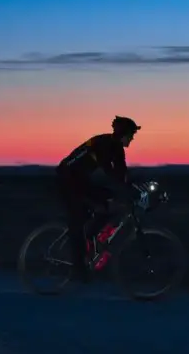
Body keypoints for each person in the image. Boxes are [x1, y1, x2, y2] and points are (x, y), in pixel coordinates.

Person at [55, 115, 141, 280]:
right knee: (77, 221)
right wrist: (127, 189)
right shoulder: (104, 144)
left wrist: (136, 187)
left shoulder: (117, 148)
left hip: (79, 180)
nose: (132, 138)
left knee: (108, 201)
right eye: (131, 135)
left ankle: (92, 235)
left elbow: (122, 175)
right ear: (123, 134)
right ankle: (78, 268)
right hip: (66, 179)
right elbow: (111, 173)